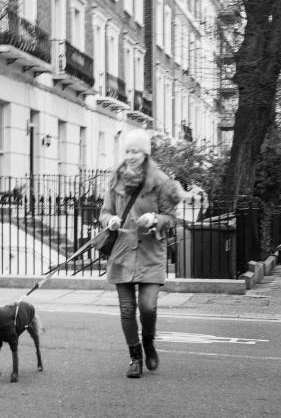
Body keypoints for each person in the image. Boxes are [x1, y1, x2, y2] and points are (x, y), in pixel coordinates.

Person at [99, 129, 180, 378]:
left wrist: (155, 218)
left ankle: (148, 342)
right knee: (126, 309)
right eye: (127, 151)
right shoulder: (115, 180)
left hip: (150, 252)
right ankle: (135, 357)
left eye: (135, 151)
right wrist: (110, 220)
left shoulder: (161, 182)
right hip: (122, 252)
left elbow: (171, 218)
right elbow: (104, 212)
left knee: (148, 306)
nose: (130, 156)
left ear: (146, 153)